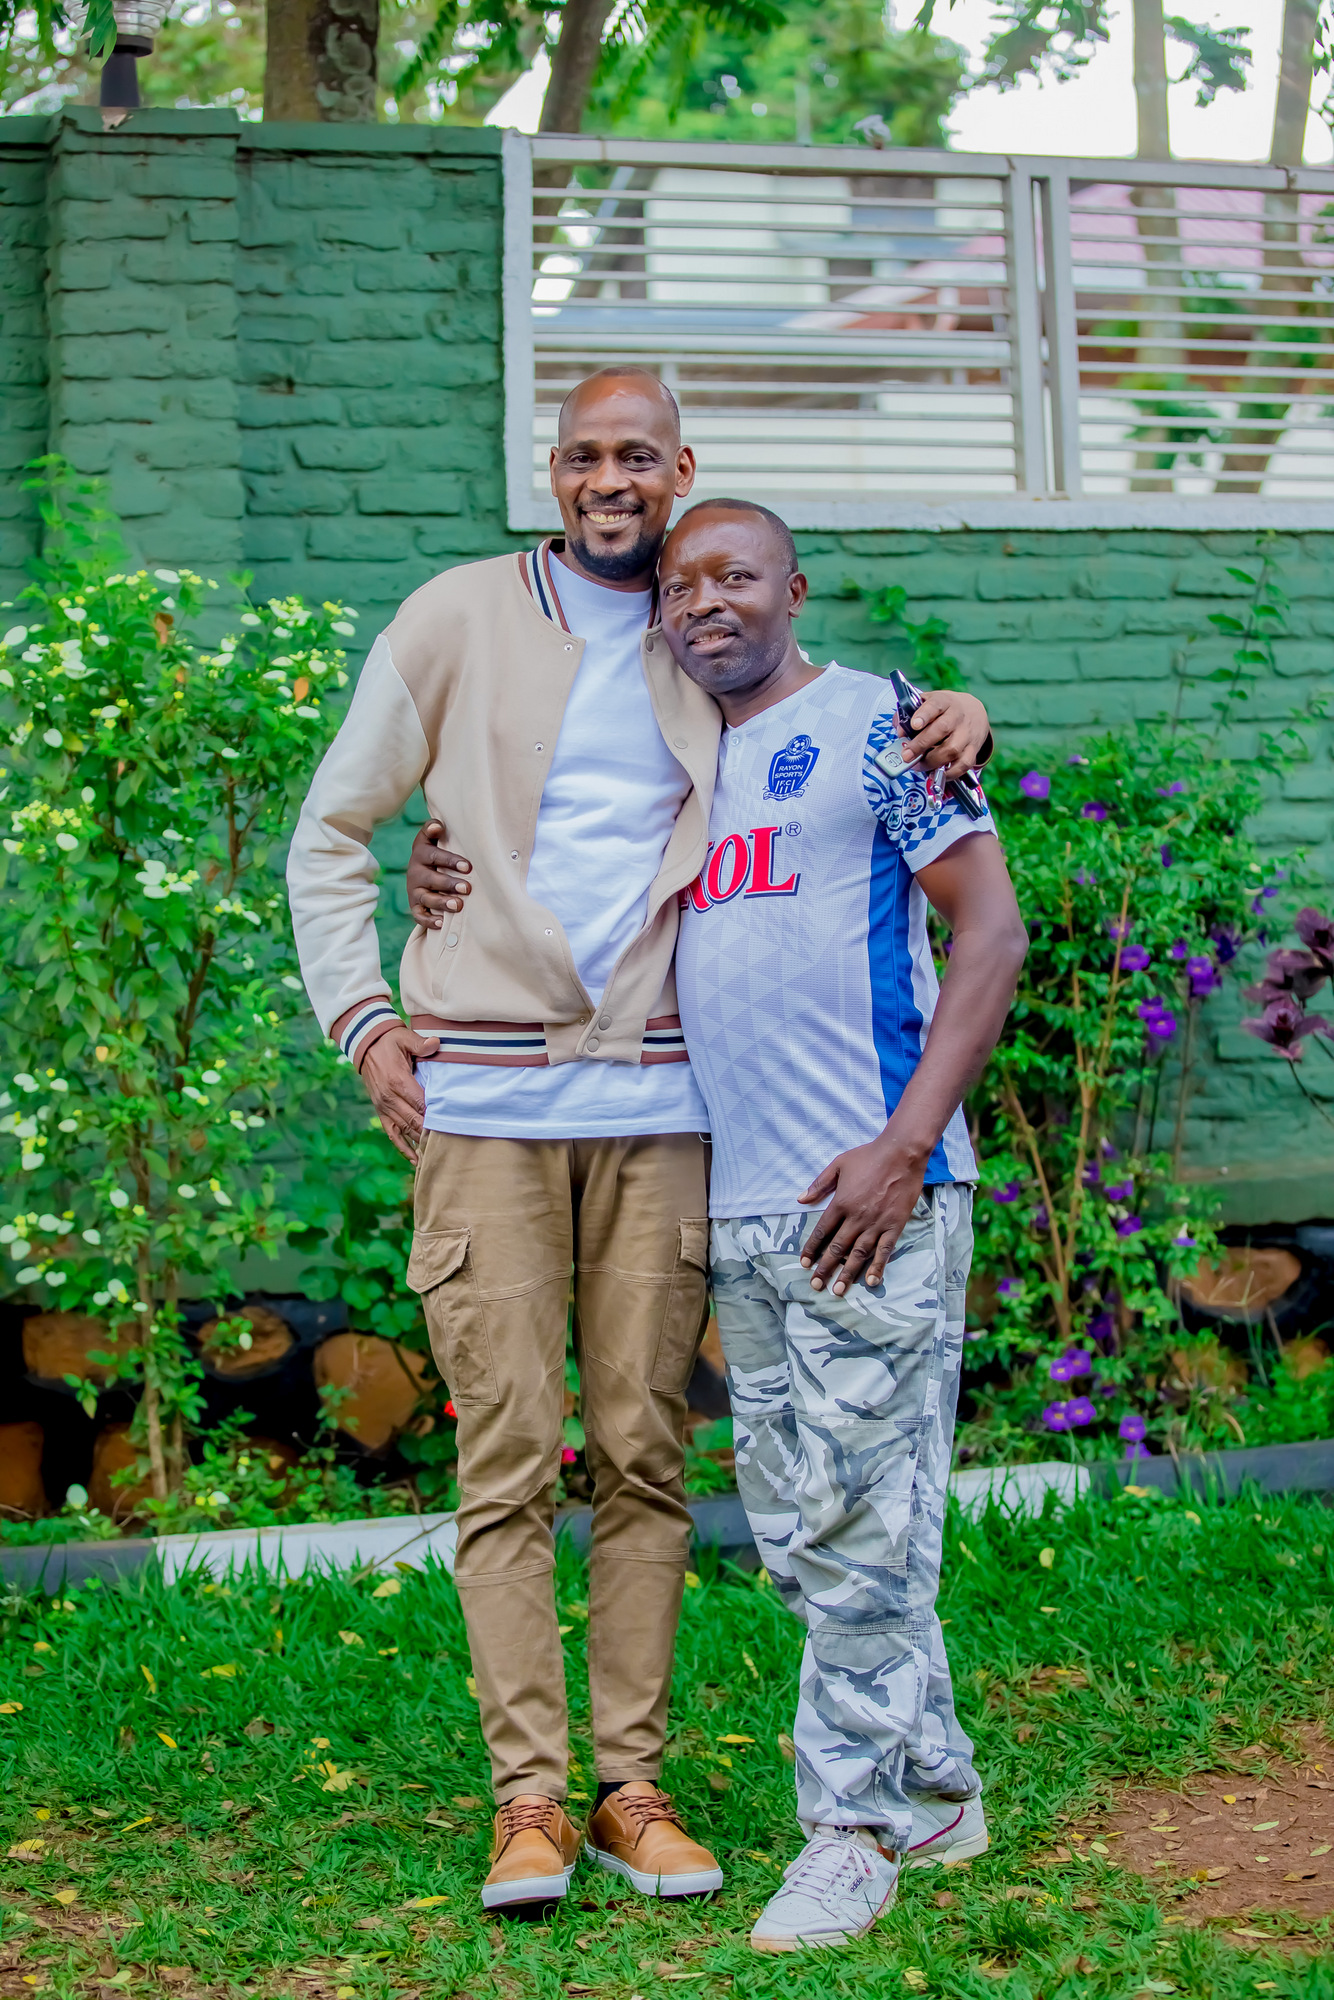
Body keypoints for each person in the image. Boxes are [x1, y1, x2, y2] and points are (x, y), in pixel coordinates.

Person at [292, 364, 993, 1917]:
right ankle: (528, 1802)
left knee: (644, 1458)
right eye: (580, 455)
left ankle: (632, 1788)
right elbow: (333, 828)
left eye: (635, 456)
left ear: (681, 470)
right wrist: (365, 1017)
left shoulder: (704, 638)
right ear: (552, 472)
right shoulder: (456, 617)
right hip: (486, 1105)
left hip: (670, 1117)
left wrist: (952, 717)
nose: (607, 480)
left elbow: (830, 728)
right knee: (503, 1460)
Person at [654, 497, 1028, 1952]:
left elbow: (989, 934)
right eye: (681, 584)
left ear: (793, 588)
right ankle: (933, 1787)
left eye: (735, 574)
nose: (706, 601)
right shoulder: (677, 756)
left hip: (874, 1197)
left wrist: (904, 1149)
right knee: (804, 1533)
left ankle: (852, 1833)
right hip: (745, 1206)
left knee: (867, 1528)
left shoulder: (882, 722)